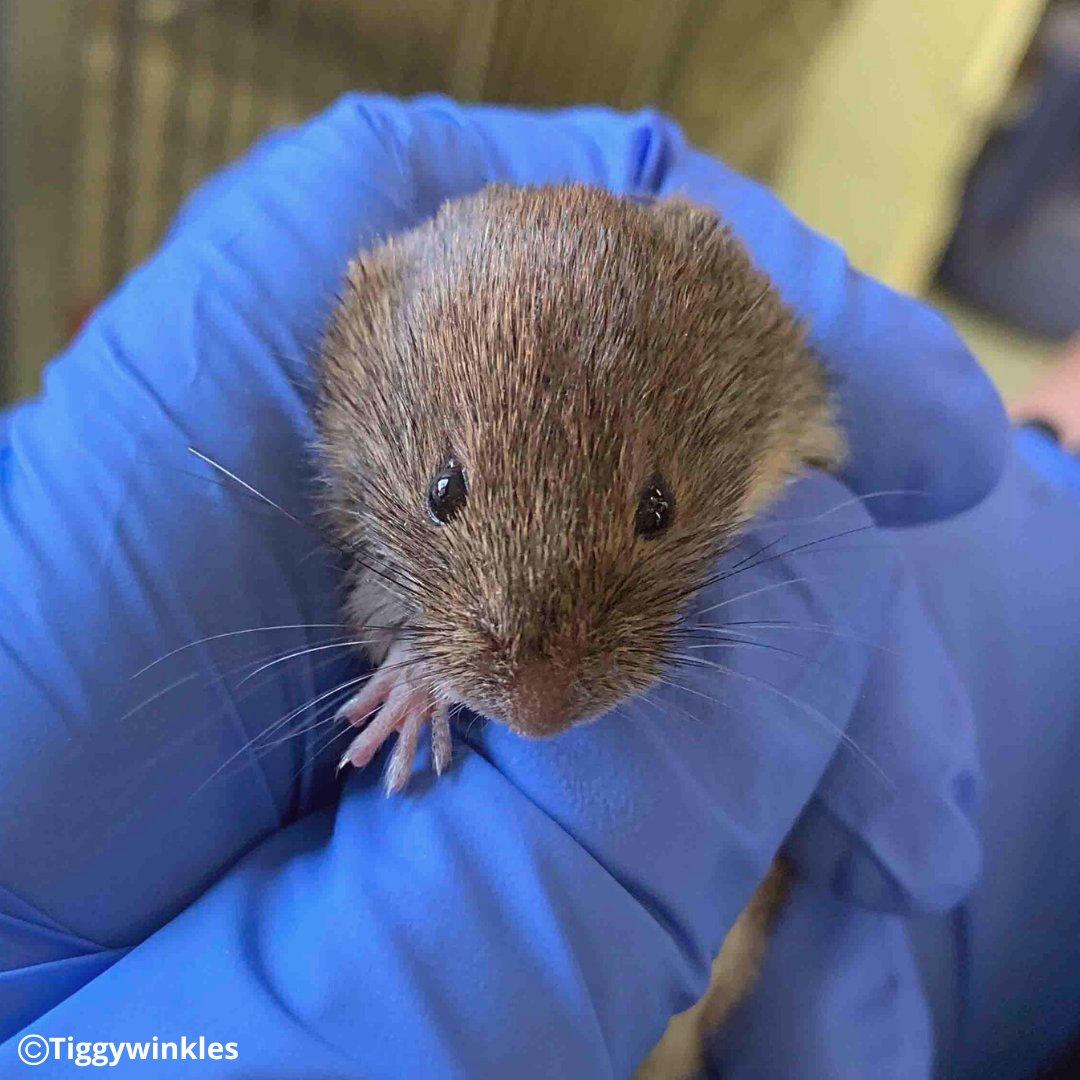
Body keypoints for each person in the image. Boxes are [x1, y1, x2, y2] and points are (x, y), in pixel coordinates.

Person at [0, 94, 1070, 1079]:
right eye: (448, 492)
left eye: (653, 512)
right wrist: (414, 654)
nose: (542, 696)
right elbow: (360, 540)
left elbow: (805, 438)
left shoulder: (737, 356)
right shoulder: (372, 345)